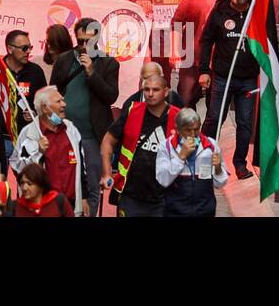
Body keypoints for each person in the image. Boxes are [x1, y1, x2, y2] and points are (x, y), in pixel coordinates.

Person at [49, 17, 118, 215]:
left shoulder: (109, 63)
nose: (83, 46)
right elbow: (53, 91)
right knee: (63, 183)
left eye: (88, 42)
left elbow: (110, 96)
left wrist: (91, 72)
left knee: (92, 187)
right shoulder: (64, 60)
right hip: (63, 135)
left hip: (92, 138)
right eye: (80, 41)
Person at [197, 0, 258, 179]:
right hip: (222, 77)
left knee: (245, 123)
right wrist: (204, 70)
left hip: (248, 79)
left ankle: (240, 164)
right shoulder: (219, 12)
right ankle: (204, 158)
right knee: (214, 118)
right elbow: (206, 41)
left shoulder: (256, 12)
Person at [102, 71, 178, 217]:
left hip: (163, 197)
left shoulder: (177, 117)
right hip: (131, 195)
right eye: (146, 89)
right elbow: (107, 141)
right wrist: (106, 173)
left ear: (166, 92)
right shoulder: (132, 111)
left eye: (155, 90)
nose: (150, 94)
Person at [13, 85, 85, 216]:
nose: (64, 104)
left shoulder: (71, 129)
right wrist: (39, 152)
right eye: (58, 101)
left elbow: (82, 165)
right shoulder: (29, 133)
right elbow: (20, 169)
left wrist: (84, 197)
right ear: (45, 108)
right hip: (44, 206)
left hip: (71, 204)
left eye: (63, 100)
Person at [156, 107, 228, 217]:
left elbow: (220, 183)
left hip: (204, 211)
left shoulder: (211, 146)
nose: (193, 134)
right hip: (175, 211)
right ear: (178, 129)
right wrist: (180, 157)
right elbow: (163, 180)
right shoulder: (166, 147)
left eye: (196, 129)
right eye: (188, 130)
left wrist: (218, 169)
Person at [4, 28, 47, 127]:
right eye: (24, 48)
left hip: (27, 134)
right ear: (10, 49)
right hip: (2, 135)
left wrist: (35, 114)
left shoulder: (36, 72)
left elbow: (44, 104)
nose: (28, 51)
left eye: (29, 47)